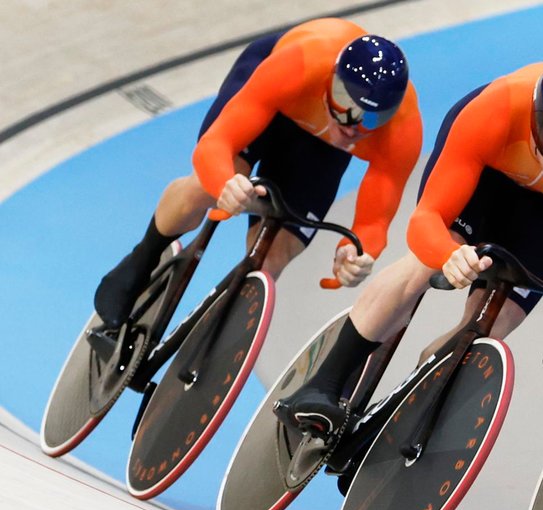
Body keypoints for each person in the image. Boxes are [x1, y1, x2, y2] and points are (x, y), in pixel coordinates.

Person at [272, 58, 543, 437]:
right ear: (534, 121)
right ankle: (322, 384)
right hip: (482, 173)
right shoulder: (495, 110)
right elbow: (426, 220)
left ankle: (399, 413)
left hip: (542, 213)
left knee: (488, 329)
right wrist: (447, 255)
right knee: (424, 265)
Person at [93, 18, 422, 329]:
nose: (352, 126)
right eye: (345, 104)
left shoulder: (402, 131)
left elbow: (374, 223)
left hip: (319, 146)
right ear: (332, 80)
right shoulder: (298, 66)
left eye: (371, 120)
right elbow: (215, 144)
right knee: (206, 191)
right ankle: (143, 257)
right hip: (277, 98)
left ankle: (217, 338)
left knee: (273, 257)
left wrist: (355, 253)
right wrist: (225, 182)